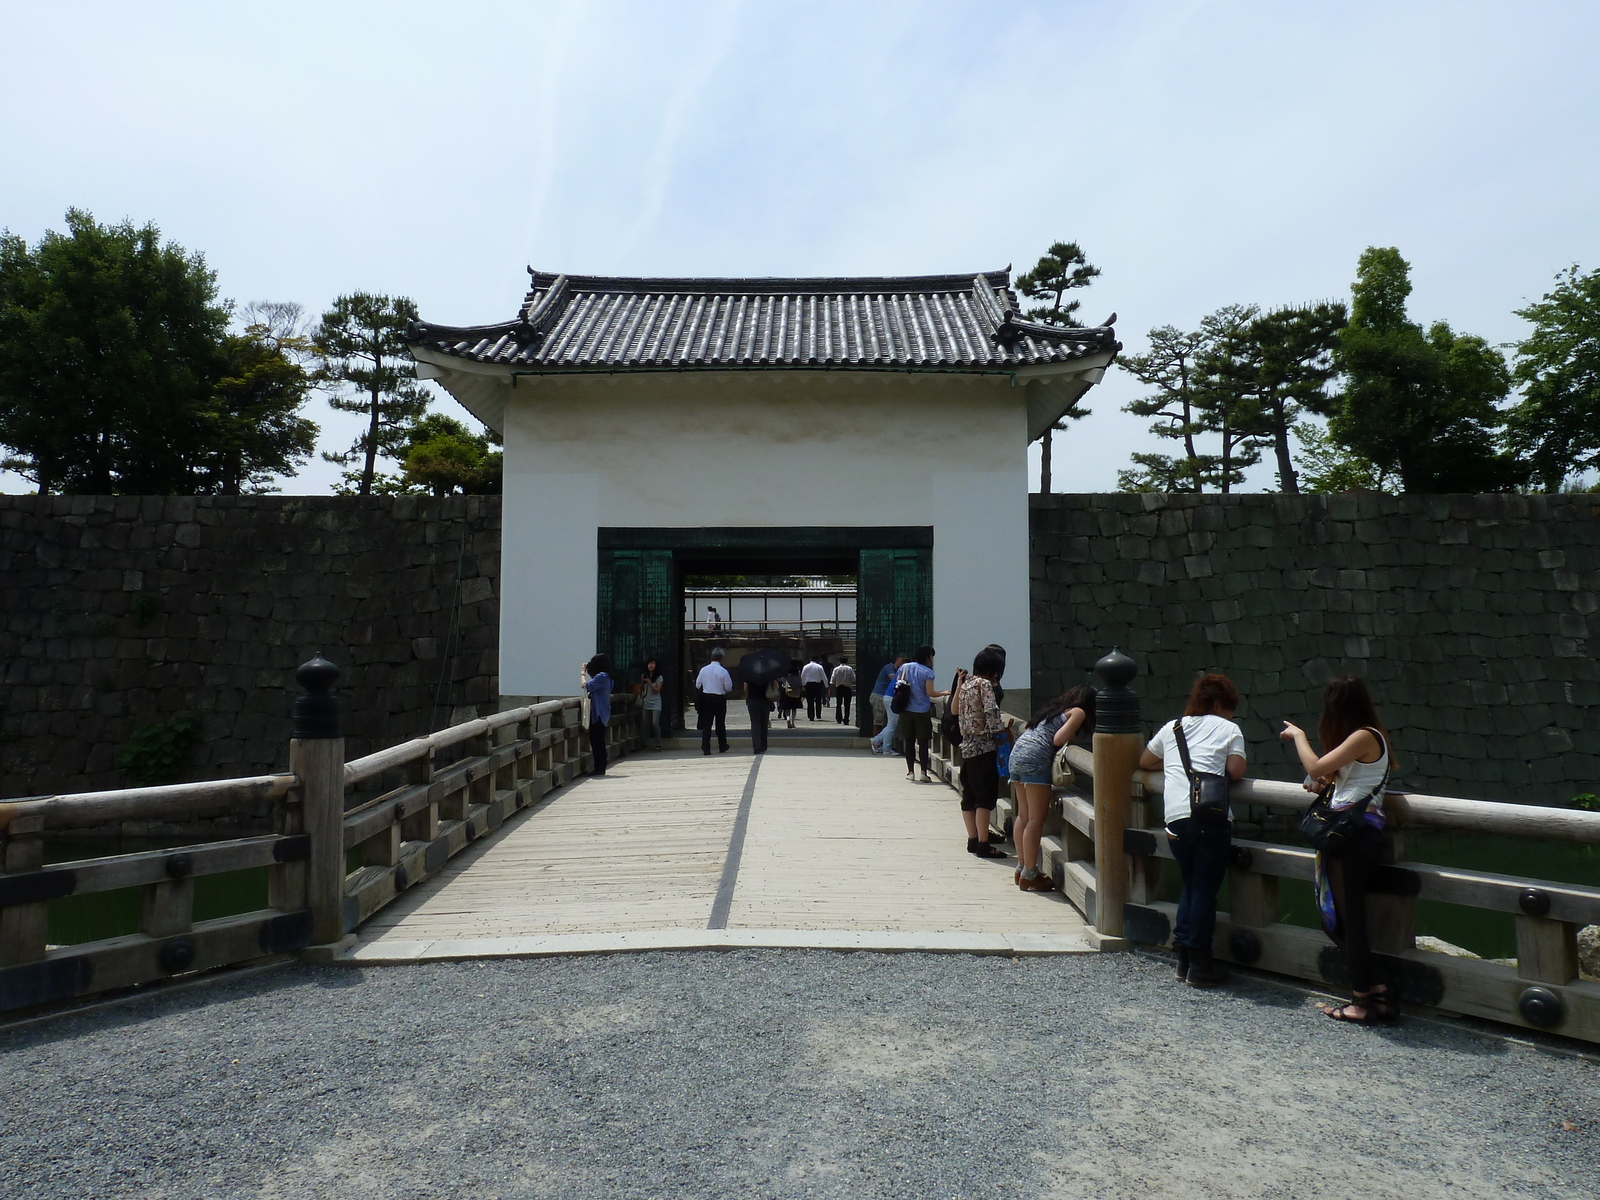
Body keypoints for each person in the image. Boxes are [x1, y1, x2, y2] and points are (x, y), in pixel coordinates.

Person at [1281, 676, 1398, 1025]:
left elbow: (1316, 766)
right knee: (1337, 917)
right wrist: (1322, 780)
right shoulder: (1358, 739)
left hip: (1355, 837)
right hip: (1347, 835)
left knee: (1348, 919)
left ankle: (1362, 1001)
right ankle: (1374, 993)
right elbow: (1322, 777)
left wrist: (1299, 737)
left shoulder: (1365, 735)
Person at [1139, 674, 1247, 989]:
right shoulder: (1229, 729)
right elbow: (1236, 771)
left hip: (1175, 820)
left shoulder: (1172, 728)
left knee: (1190, 887)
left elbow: (1145, 762)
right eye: (1229, 709)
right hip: (1209, 818)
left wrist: (1173, 766)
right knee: (1203, 892)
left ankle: (1183, 957)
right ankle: (1200, 964)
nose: (1231, 716)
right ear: (1217, 704)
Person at [1009, 685, 1096, 890]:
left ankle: (1021, 867)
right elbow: (1058, 739)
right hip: (1035, 758)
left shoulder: (1054, 710)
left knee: (1023, 815)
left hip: (1018, 753)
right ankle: (1030, 873)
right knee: (1036, 819)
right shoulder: (1078, 711)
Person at [954, 646, 1009, 858]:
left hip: (966, 746)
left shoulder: (967, 685)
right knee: (985, 798)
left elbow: (956, 710)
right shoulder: (984, 685)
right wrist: (1000, 734)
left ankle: (973, 839)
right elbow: (991, 712)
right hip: (984, 746)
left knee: (969, 795)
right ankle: (984, 845)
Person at [897, 645, 947, 783]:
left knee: (909, 741)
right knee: (923, 742)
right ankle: (923, 772)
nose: (932, 659)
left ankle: (910, 772)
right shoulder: (928, 672)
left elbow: (899, 685)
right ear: (927, 656)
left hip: (906, 709)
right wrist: (944, 693)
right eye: (931, 656)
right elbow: (930, 693)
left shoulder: (905, 668)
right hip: (922, 711)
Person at [580, 655, 615, 777]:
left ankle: (599, 768)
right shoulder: (607, 677)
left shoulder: (602, 677)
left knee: (597, 741)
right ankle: (600, 767)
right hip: (603, 712)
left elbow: (586, 685)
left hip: (598, 713)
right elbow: (595, 681)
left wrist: (582, 673)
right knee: (599, 741)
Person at [694, 648, 733, 755]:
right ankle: (722, 745)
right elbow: (728, 687)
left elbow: (698, 684)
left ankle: (706, 747)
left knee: (707, 724)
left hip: (706, 698)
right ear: (722, 658)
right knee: (720, 723)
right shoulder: (723, 671)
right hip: (719, 698)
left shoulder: (704, 670)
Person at [869, 655, 905, 750]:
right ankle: (877, 744)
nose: (904, 663)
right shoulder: (889, 667)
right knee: (879, 722)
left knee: (889, 723)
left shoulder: (899, 670)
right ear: (897, 659)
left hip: (885, 697)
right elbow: (894, 679)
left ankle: (878, 742)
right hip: (879, 696)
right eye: (903, 660)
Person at [744, 670, 773, 754]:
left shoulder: (749, 675)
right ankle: (763, 745)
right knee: (764, 723)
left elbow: (745, 689)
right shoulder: (767, 674)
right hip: (765, 700)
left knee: (755, 723)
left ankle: (756, 746)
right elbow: (776, 687)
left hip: (752, 700)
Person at [639, 656, 664, 750]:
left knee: (655, 723)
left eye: (653, 663)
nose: (651, 665)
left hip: (656, 702)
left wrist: (649, 682)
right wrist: (642, 682)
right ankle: (644, 744)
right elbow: (641, 690)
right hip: (646, 701)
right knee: (645, 723)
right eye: (649, 663)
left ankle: (658, 743)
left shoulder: (659, 677)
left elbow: (657, 690)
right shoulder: (644, 675)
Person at [801, 655, 828, 721]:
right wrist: (826, 686)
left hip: (809, 685)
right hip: (817, 685)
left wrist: (803, 684)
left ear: (810, 659)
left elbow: (803, 676)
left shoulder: (806, 667)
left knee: (810, 701)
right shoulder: (819, 667)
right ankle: (818, 714)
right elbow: (824, 677)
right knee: (818, 700)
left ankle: (811, 716)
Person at [778, 660, 803, 729]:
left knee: (787, 707)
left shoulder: (786, 672)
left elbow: (783, 682)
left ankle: (788, 718)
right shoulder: (798, 672)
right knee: (794, 707)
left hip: (787, 691)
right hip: (796, 691)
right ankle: (793, 722)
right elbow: (800, 682)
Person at [830, 658, 855, 725]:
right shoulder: (849, 669)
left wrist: (830, 689)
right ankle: (846, 719)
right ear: (847, 661)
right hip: (847, 687)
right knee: (847, 705)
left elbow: (832, 680)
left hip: (839, 688)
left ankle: (838, 718)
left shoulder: (836, 669)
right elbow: (853, 678)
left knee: (838, 704)